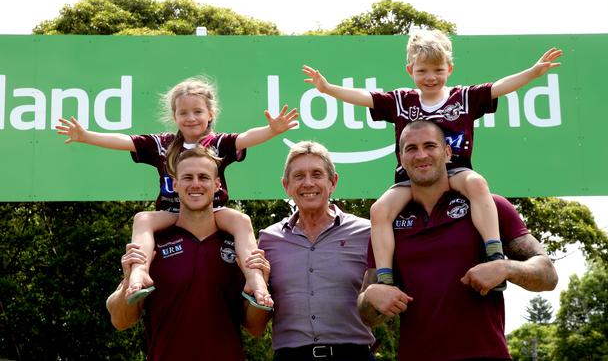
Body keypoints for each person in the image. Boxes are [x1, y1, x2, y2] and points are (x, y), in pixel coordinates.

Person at [303, 29, 562, 290]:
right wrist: (326, 89)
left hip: (456, 171)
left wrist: (533, 73)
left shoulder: (463, 97)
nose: (430, 78)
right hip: (411, 179)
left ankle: (493, 253)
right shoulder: (402, 100)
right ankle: (384, 278)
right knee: (379, 210)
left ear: (449, 68)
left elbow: (499, 87)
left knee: (478, 184)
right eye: (422, 71)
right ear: (410, 71)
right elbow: (364, 97)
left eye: (438, 70)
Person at [57, 76, 298, 308]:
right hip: (173, 213)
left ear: (210, 114)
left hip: (211, 212)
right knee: (143, 219)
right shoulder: (163, 143)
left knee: (241, 220)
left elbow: (246, 138)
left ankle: (255, 281)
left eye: (198, 112)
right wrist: (85, 136)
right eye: (183, 113)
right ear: (174, 116)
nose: (191, 118)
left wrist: (272, 130)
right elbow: (125, 141)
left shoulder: (219, 143)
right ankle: (140, 274)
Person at [356, 120, 558, 360]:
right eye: (411, 148)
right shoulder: (387, 223)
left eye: (430, 145)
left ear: (448, 152)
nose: (421, 155)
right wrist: (369, 297)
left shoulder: (490, 206)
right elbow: (366, 314)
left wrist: (505, 267)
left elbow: (548, 274)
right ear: (401, 158)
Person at [106, 146, 272, 360]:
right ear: (175, 184)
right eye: (187, 177)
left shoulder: (238, 246)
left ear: (217, 185)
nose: (195, 184)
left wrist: (262, 287)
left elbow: (255, 328)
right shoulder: (152, 245)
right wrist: (129, 281)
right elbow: (120, 321)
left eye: (203, 177)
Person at [252, 141, 376, 361]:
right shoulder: (269, 240)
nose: (308, 183)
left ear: (333, 182)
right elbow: (258, 319)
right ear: (286, 185)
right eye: (299, 176)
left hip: (353, 355)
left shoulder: (366, 232)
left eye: (317, 174)